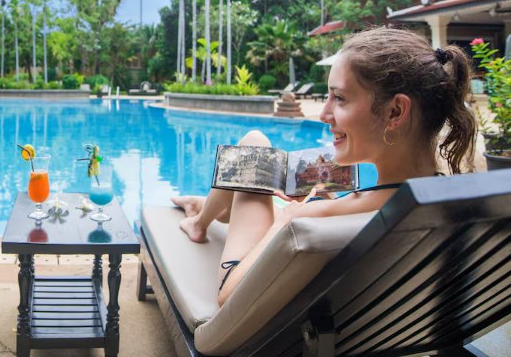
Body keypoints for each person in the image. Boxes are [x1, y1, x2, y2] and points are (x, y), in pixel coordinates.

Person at [171, 27, 477, 306]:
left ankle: (199, 224)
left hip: (247, 287)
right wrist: (323, 205)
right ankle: (204, 208)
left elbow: (230, 297)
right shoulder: (443, 202)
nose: (324, 114)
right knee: (256, 187)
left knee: (255, 143)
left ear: (395, 111)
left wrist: (289, 220)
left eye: (339, 98)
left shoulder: (318, 216)